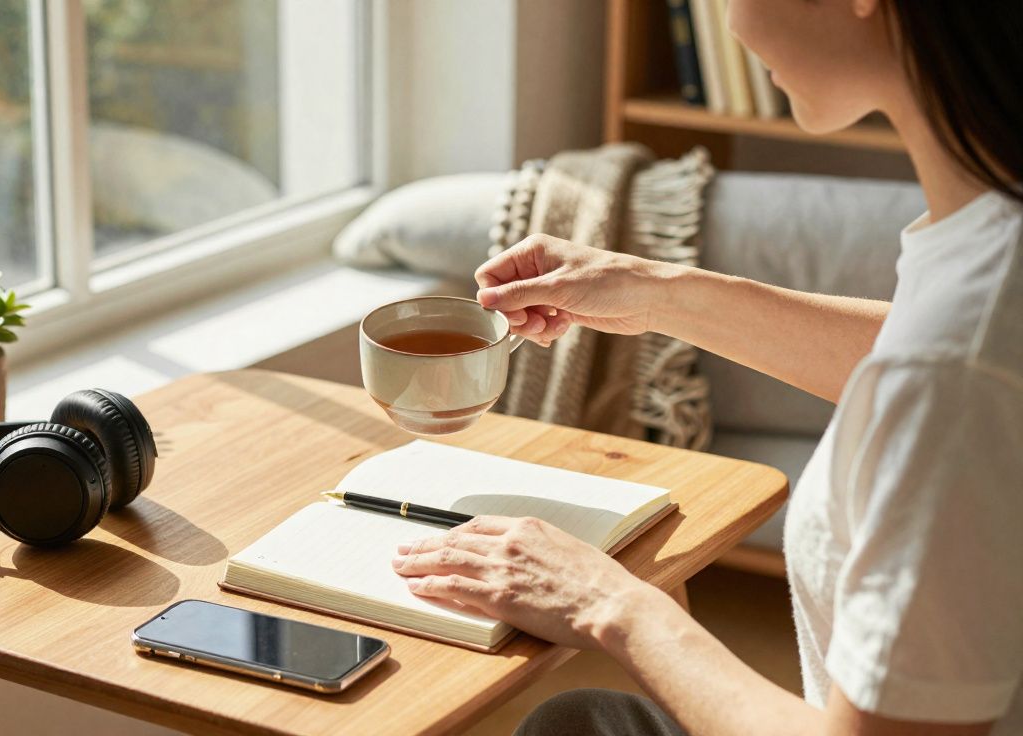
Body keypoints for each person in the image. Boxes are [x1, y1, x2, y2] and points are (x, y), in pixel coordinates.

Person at [390, 1, 1023, 734]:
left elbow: (951, 377)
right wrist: (657, 291)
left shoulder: (957, 369)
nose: (731, 26)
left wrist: (612, 606)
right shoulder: (989, 240)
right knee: (586, 719)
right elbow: (936, 357)